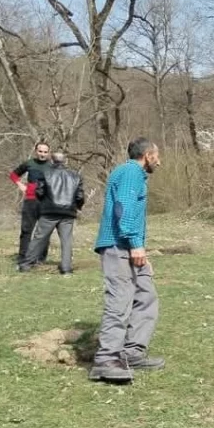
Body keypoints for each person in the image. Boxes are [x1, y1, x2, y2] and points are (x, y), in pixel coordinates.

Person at [89, 137, 164, 383]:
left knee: (145, 295)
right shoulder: (131, 172)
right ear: (147, 155)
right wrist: (136, 244)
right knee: (120, 300)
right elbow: (123, 207)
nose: (159, 162)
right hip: (118, 246)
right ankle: (106, 359)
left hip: (129, 247)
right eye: (157, 156)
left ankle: (132, 352)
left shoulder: (134, 175)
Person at [18, 152, 85, 274]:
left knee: (39, 238)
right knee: (66, 241)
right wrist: (77, 207)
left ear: (52, 161)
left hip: (49, 211)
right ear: (64, 161)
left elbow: (39, 192)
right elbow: (80, 196)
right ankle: (66, 268)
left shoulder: (45, 173)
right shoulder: (75, 176)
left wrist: (43, 203)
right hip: (68, 212)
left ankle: (26, 264)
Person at [9, 141, 53, 265]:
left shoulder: (52, 166)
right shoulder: (29, 163)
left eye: (45, 152)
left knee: (44, 231)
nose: (42, 154)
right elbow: (13, 175)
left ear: (49, 153)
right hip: (31, 200)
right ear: (36, 151)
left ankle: (41, 258)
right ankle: (23, 257)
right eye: (40, 151)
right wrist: (21, 185)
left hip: (46, 201)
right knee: (26, 230)